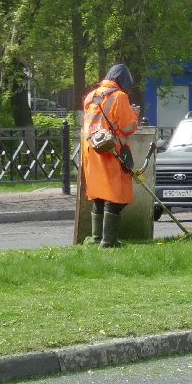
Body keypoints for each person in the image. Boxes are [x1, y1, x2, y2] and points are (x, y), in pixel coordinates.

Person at [80, 63, 139, 248]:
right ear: (123, 81)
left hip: (91, 151)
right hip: (110, 152)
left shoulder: (91, 96)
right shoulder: (119, 96)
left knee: (98, 193)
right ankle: (108, 241)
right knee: (115, 194)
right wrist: (135, 115)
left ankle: (97, 238)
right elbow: (128, 127)